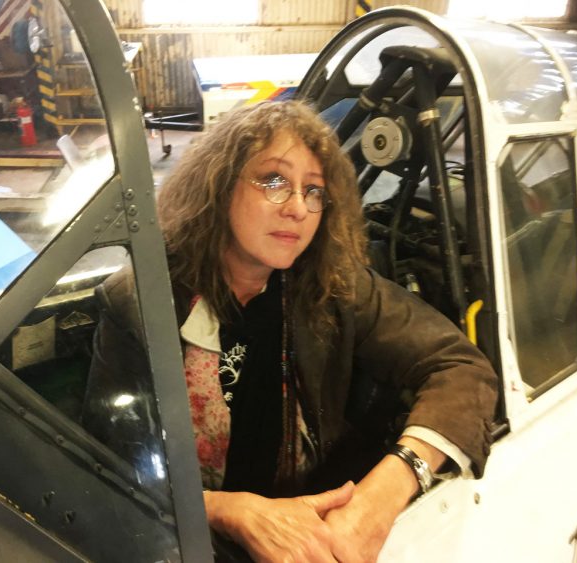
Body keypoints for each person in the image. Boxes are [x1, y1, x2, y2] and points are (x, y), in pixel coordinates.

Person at [82, 100, 498, 562]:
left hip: (314, 523)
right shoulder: (139, 303)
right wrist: (225, 510)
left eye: (314, 190)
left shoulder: (330, 284)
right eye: (274, 181)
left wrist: (385, 493)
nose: (299, 208)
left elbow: (460, 367)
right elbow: (109, 473)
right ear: (219, 185)